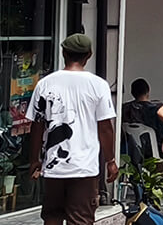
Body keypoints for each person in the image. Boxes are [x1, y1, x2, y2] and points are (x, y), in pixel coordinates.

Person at [28, 34, 117, 225]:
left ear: (64, 53)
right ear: (89, 55)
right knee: (81, 219)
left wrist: (34, 159)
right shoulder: (98, 85)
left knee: (52, 217)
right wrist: (110, 160)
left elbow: (36, 125)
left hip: (53, 169)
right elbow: (105, 128)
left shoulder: (45, 84)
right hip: (84, 168)